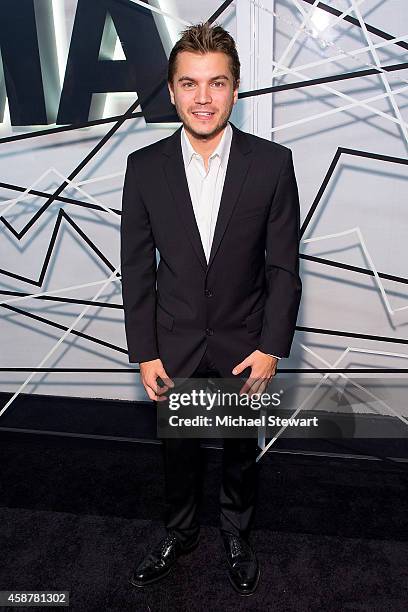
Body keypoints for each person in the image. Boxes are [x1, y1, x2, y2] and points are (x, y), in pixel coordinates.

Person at [120, 21, 302, 596]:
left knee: (240, 454)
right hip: (173, 343)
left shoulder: (272, 164)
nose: (203, 97)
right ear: (171, 91)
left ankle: (238, 535)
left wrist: (272, 346)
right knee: (177, 453)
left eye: (216, 83)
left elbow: (282, 269)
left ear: (236, 89)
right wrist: (145, 353)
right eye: (190, 83)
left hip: (245, 343)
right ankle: (181, 533)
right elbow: (137, 271)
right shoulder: (143, 168)